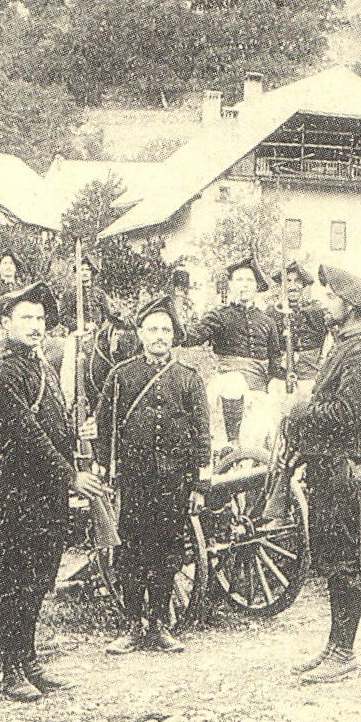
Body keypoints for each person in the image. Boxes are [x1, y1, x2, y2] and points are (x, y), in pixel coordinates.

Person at [0, 282, 112, 702]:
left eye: (40, 318)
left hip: (47, 490)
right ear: (6, 323)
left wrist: (79, 438)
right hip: (17, 489)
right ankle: (10, 669)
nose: (35, 326)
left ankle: (29, 662)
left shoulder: (40, 365)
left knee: (39, 578)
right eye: (26, 318)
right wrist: (70, 476)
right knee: (14, 579)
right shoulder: (2, 371)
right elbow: (26, 436)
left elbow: (54, 428)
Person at [85, 295, 210, 655]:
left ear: (173, 336)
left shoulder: (189, 378)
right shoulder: (121, 376)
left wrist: (200, 485)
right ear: (140, 334)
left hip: (174, 481)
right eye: (153, 329)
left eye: (165, 330)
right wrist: (104, 469)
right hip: (134, 480)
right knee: (131, 551)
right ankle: (131, 625)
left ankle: (158, 625)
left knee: (168, 551)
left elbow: (202, 434)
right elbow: (103, 426)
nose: (159, 336)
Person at [284, 264, 361, 684]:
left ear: (350, 305)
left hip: (344, 465)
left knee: (346, 560)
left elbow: (346, 413)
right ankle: (333, 646)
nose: (324, 303)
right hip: (327, 464)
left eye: (331, 298)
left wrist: (300, 410)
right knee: (331, 557)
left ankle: (344, 651)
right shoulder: (343, 345)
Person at [183, 258, 285, 452]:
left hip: (257, 391)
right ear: (230, 285)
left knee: (265, 437)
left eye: (249, 280)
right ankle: (232, 442)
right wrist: (175, 327)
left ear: (256, 286)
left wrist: (286, 375)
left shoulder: (267, 322)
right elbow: (193, 337)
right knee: (234, 382)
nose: (244, 285)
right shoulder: (220, 315)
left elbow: (274, 363)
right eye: (239, 280)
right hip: (227, 387)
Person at [276, 260, 330, 415]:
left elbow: (329, 340)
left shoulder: (317, 311)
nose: (292, 286)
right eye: (288, 281)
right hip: (281, 376)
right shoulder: (273, 312)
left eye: (297, 281)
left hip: (310, 374)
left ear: (304, 285)